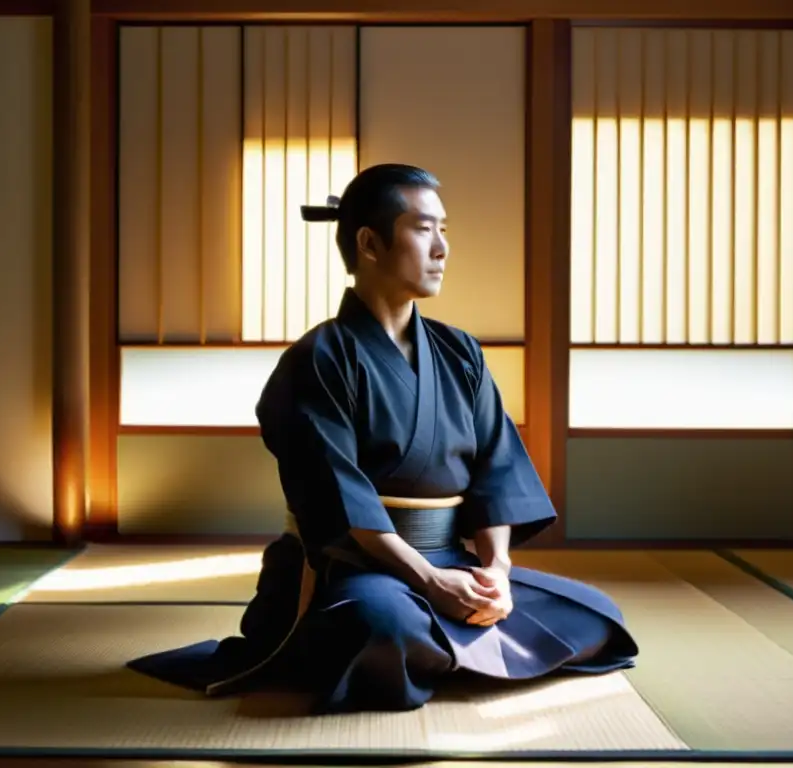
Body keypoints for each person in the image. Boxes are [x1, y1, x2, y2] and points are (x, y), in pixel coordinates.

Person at [127, 163, 639, 714]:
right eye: (424, 230)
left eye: (446, 230)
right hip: (351, 570)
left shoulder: (460, 352)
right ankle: (438, 648)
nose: (442, 248)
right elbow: (342, 504)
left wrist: (495, 573)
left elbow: (498, 470)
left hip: (448, 562)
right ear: (370, 243)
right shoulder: (317, 360)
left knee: (598, 614)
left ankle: (436, 650)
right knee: (380, 624)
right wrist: (433, 584)